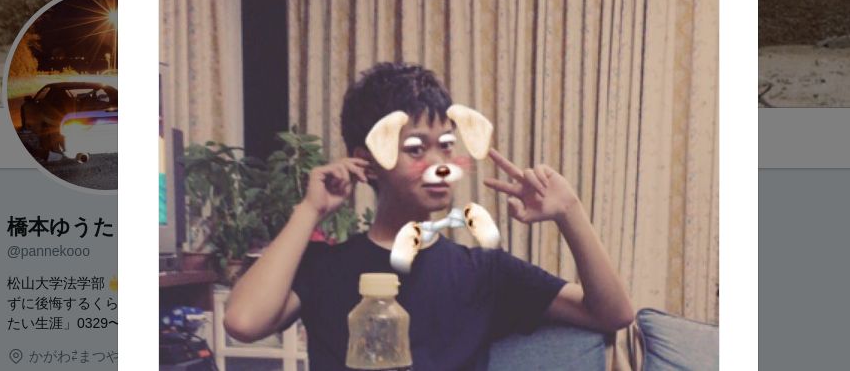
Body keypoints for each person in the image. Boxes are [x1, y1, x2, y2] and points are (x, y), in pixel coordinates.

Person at [224, 62, 634, 370]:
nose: (441, 164)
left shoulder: (484, 273)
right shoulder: (326, 267)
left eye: (447, 145)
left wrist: (569, 212)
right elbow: (243, 321)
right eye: (416, 149)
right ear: (367, 162)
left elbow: (614, 314)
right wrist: (309, 210)